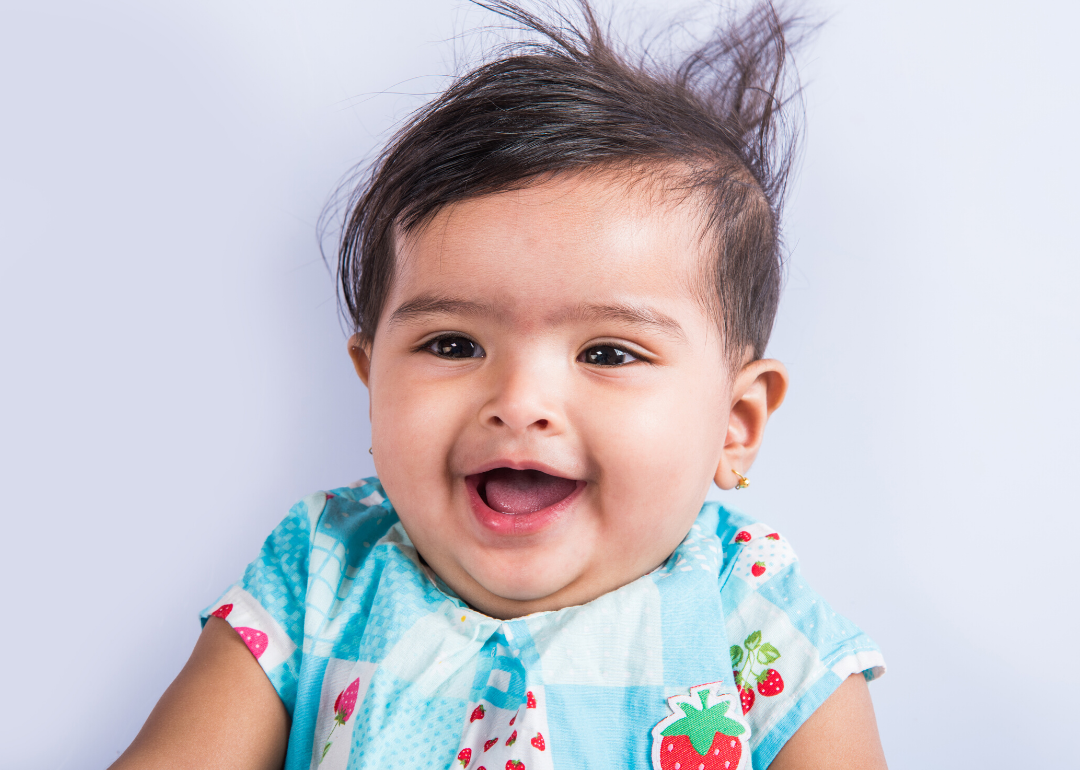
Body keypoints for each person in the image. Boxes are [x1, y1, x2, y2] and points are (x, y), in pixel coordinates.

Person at [111, 2, 887, 768]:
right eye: (453, 343)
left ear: (736, 422)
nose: (518, 402)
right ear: (371, 382)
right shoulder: (318, 578)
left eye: (608, 353)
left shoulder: (757, 624)